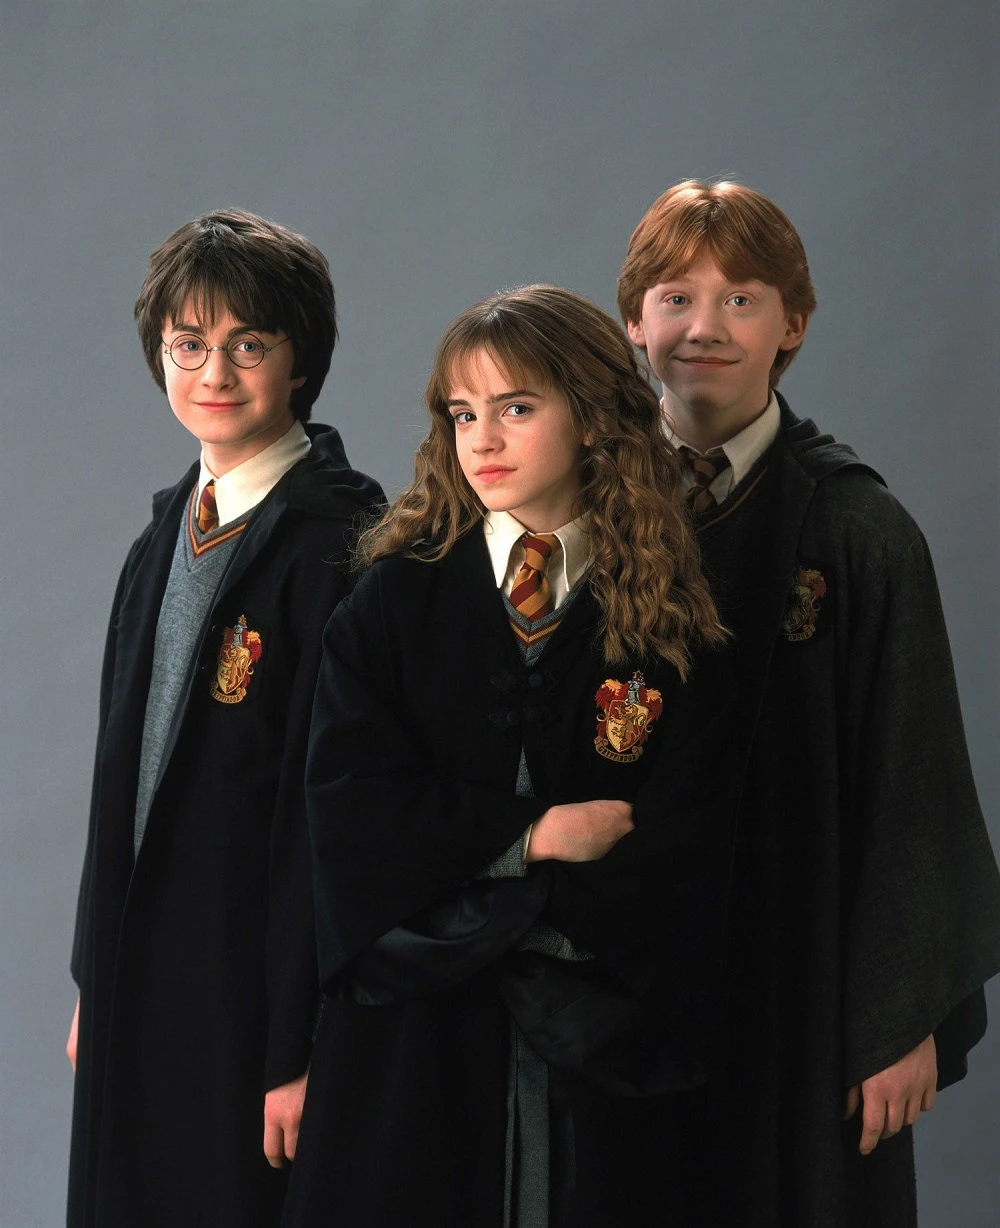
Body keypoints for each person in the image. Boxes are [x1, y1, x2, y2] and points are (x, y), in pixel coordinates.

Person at [281, 285, 737, 1227]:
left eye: (517, 408)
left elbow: (693, 844)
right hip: (413, 1043)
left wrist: (504, 916)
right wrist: (532, 838)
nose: (482, 440)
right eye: (463, 414)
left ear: (593, 419)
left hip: (599, 1042)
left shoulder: (671, 617)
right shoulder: (389, 605)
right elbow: (352, 816)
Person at [617, 178, 1000, 1226]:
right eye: (675, 297)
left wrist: (901, 1016)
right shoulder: (581, 509)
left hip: (799, 985)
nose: (705, 326)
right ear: (633, 321)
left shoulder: (858, 530)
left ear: (793, 324)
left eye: (741, 299)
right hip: (616, 984)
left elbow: (913, 779)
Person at [66, 208, 383, 1228]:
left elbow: (338, 826)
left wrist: (303, 1041)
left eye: (249, 344)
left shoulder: (343, 546)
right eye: (188, 345)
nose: (215, 373)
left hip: (254, 995)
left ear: (302, 359)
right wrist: (94, 976)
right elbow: (119, 779)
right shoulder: (162, 534)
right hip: (142, 974)